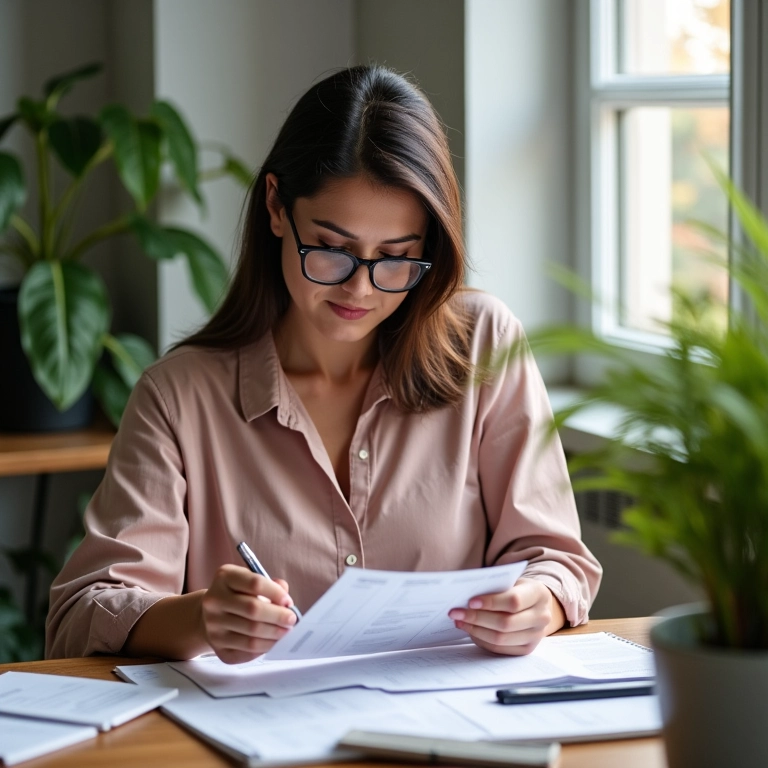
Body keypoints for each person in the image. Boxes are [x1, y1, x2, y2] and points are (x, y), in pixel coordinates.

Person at [46, 65, 601, 663]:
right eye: (333, 249)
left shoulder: (484, 346)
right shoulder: (179, 398)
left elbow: (557, 561)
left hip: (442, 734)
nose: (361, 288)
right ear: (277, 209)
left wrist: (534, 605)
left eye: (396, 258)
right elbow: (82, 614)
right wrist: (201, 618)